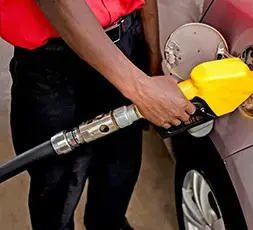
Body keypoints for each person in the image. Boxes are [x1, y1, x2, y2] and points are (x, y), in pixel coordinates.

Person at [1, 0, 196, 229]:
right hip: (53, 63)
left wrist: (152, 58)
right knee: (57, 185)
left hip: (128, 40)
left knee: (119, 168)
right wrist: (140, 88)